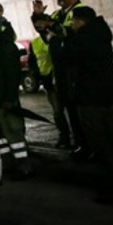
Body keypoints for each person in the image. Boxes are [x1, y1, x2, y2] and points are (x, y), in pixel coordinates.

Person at [63, 7, 113, 204]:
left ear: (81, 21)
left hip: (90, 100)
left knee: (102, 145)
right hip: (106, 97)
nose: (71, 24)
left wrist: (64, 38)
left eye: (73, 21)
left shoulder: (83, 39)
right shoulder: (101, 34)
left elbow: (68, 56)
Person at [35, 0, 91, 159]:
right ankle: (80, 143)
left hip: (76, 70)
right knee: (69, 109)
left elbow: (64, 32)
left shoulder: (81, 11)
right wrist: (37, 17)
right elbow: (46, 35)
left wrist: (50, 25)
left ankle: (89, 145)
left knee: (81, 111)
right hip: (61, 71)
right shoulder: (57, 14)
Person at [0, 13, 34, 179]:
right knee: (1, 134)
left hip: (5, 98)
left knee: (13, 131)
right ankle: (8, 163)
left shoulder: (4, 43)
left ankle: (23, 164)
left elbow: (12, 72)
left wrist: (10, 98)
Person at [28, 13, 71, 148]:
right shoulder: (34, 42)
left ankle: (80, 139)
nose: (37, 25)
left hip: (63, 80)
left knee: (72, 111)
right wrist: (37, 77)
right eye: (35, 23)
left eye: (40, 22)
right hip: (49, 84)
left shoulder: (58, 35)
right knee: (58, 113)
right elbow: (33, 62)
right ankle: (64, 137)